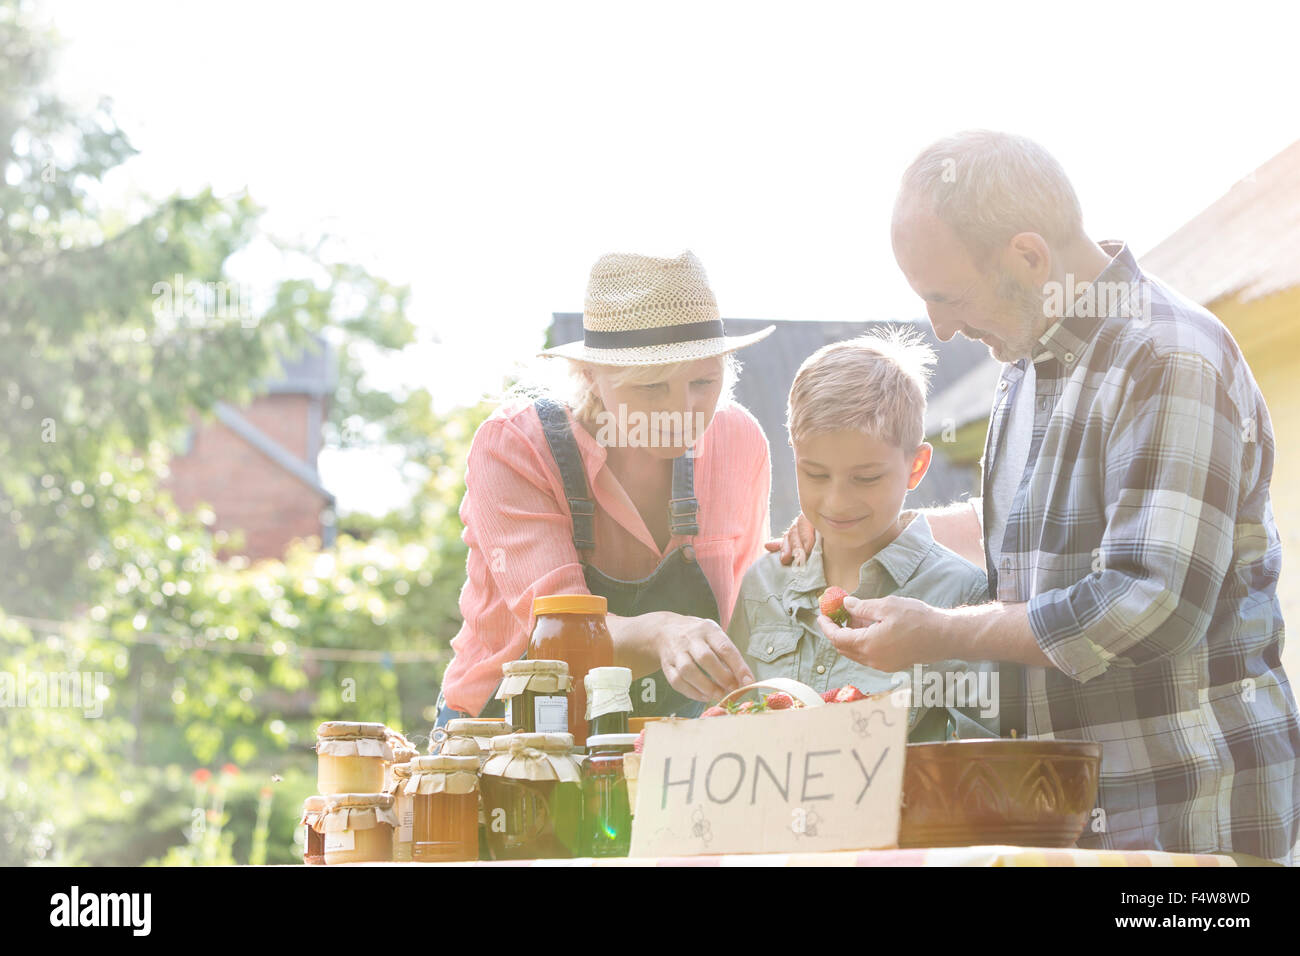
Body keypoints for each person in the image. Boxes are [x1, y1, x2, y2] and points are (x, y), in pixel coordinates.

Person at [779, 130, 1300, 863]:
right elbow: (1027, 533)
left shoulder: (1169, 356)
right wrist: (860, 518)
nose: (941, 327)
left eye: (947, 295)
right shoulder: (1027, 364)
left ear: (1029, 256)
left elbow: (1146, 607)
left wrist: (940, 631)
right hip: (1072, 821)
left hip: (1186, 815)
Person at [434, 251, 775, 725]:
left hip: (669, 737)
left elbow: (751, 612)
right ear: (591, 375)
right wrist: (660, 632)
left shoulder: (740, 442)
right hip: (509, 734)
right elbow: (557, 639)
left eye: (703, 380)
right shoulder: (514, 447)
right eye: (653, 387)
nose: (684, 409)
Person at [728, 329, 997, 740]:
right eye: (815, 474)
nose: (837, 501)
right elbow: (728, 726)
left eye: (866, 477)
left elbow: (981, 759)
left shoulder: (963, 595)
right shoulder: (761, 585)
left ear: (916, 467)